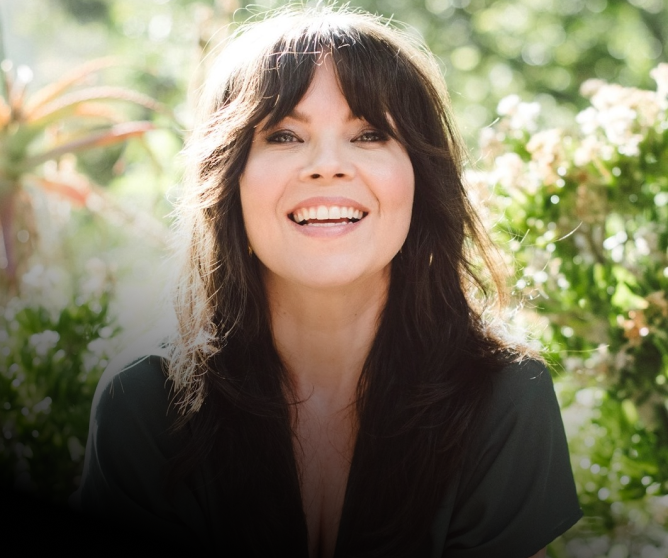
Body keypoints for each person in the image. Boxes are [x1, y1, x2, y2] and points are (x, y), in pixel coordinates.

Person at [75, 6, 583, 557]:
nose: (327, 166)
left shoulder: (504, 399)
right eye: (285, 135)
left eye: (369, 134)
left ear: (421, 176)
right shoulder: (144, 403)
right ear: (229, 180)